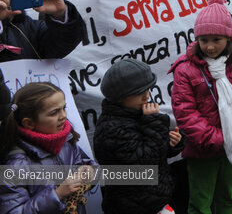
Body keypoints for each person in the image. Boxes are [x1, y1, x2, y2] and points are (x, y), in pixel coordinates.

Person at [169, 0, 232, 214]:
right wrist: (219, 139)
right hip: (203, 150)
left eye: (216, 40)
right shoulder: (185, 69)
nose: (210, 47)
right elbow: (185, 113)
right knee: (200, 201)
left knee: (229, 197)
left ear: (229, 38)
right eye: (204, 40)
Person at [94, 59, 184, 214]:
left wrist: (174, 143)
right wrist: (153, 124)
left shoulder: (137, 115)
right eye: (139, 94)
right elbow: (146, 163)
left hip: (153, 201)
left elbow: (159, 152)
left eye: (148, 90)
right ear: (120, 97)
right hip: (131, 207)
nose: (146, 97)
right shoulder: (112, 128)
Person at [0, 82, 97, 213]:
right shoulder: (16, 165)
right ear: (29, 123)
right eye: (54, 113)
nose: (63, 116)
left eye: (64, 108)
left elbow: (85, 163)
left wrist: (89, 170)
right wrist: (57, 195)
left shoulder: (66, 141)